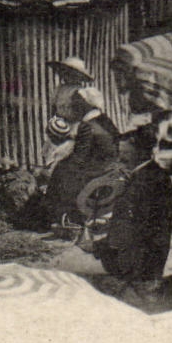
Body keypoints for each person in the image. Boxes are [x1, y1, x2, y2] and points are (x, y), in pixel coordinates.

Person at [91, 125, 172, 292]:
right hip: (143, 259)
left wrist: (103, 247)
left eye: (125, 154)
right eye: (120, 154)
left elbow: (139, 227)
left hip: (139, 263)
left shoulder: (147, 179)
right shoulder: (148, 174)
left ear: (140, 152)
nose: (121, 158)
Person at [36, 85, 119, 236]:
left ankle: (59, 217)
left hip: (98, 169)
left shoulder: (87, 126)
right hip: (111, 166)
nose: (76, 106)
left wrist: (59, 166)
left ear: (87, 105)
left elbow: (79, 157)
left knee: (61, 171)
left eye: (79, 102)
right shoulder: (105, 121)